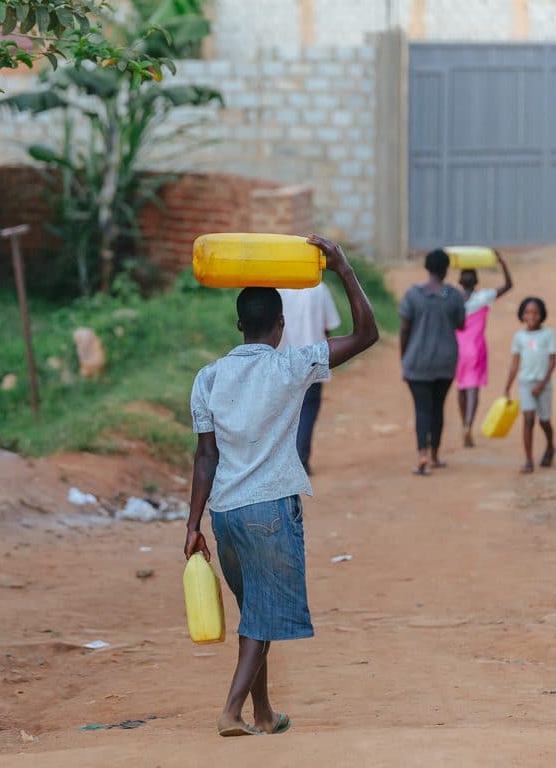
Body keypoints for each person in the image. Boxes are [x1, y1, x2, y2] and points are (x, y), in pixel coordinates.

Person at [184, 234, 378, 738]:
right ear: (280, 326)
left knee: (257, 614)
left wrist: (191, 525)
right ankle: (231, 711)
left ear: (239, 325)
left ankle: (264, 712)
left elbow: (205, 457)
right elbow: (367, 334)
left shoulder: (207, 378)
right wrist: (343, 268)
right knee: (261, 620)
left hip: (225, 513)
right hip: (269, 508)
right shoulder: (291, 365)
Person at [399, 249, 466, 474]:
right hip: (445, 361)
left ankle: (422, 455)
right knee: (438, 408)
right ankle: (436, 454)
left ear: (427, 268)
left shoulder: (412, 295)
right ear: (446, 269)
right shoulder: (454, 296)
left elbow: (405, 329)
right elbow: (461, 324)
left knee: (422, 410)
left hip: (417, 361)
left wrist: (404, 357)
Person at [277, 282, 341, 475]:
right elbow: (329, 326)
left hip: (282, 360)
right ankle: (301, 460)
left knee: (284, 412)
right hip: (312, 359)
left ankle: (283, 462)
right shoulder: (318, 288)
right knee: (308, 410)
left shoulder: (277, 288)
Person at [455, 253, 513, 448]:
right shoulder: (484, 297)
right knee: (474, 388)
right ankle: (469, 424)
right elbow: (508, 285)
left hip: (457, 349)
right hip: (476, 348)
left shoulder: (453, 299)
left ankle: (464, 422)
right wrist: (502, 262)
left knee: (461, 387)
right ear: (477, 281)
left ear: (459, 281)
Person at [504, 297, 556, 474]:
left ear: (542, 315)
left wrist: (542, 384)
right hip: (526, 383)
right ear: (522, 315)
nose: (531, 316)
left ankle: (550, 446)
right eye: (527, 313)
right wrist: (507, 387)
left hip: (543, 384)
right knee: (528, 419)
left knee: (544, 421)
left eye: (535, 313)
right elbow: (514, 364)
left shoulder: (548, 334)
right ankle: (528, 459)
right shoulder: (519, 337)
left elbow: (552, 361)